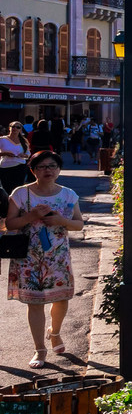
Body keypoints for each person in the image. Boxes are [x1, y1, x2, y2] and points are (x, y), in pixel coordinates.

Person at [6, 150, 84, 369]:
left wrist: (60, 220)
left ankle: (55, 333)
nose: (47, 170)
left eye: (52, 166)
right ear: (32, 170)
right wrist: (31, 217)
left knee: (61, 299)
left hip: (58, 257)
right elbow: (10, 224)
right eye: (41, 167)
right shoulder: (21, 194)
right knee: (35, 303)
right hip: (29, 259)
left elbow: (79, 224)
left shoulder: (68, 194)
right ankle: (39, 349)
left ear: (59, 169)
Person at [0, 123, 30, 195]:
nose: (15, 128)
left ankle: (17, 204)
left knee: (18, 188)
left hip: (20, 166)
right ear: (9, 128)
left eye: (18, 127)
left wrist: (24, 155)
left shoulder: (24, 140)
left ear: (21, 129)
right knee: (7, 189)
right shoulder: (2, 139)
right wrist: (5, 153)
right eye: (13, 126)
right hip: (5, 167)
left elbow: (28, 154)